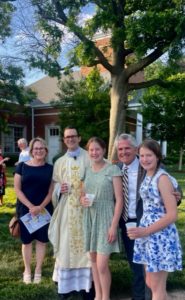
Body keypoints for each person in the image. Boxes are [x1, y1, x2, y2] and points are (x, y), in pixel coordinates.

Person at [115, 133, 181, 300]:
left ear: (158, 157)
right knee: (151, 281)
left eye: (148, 155)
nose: (144, 159)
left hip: (158, 234)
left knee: (155, 286)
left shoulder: (160, 175)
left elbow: (172, 210)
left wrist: (177, 195)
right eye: (143, 156)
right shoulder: (123, 170)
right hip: (136, 229)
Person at [48, 126, 94, 299]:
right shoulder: (59, 162)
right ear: (64, 140)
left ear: (79, 138)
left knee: (86, 249)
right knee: (67, 247)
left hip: (86, 211)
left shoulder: (90, 156)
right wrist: (60, 188)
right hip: (68, 211)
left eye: (73, 136)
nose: (70, 139)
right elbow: (54, 187)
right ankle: (66, 289)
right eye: (67, 137)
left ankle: (86, 288)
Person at [80, 137, 123, 300]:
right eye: (91, 149)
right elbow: (82, 195)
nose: (94, 152)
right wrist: (81, 200)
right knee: (93, 261)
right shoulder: (87, 170)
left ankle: (106, 297)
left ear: (104, 150)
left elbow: (119, 199)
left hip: (106, 219)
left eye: (97, 149)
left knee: (102, 264)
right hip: (89, 217)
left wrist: (113, 226)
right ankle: (98, 295)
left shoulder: (112, 170)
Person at [14, 137, 54, 284]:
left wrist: (40, 207)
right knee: (26, 242)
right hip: (26, 210)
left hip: (44, 210)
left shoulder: (50, 169)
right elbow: (17, 189)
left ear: (45, 150)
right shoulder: (22, 167)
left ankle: (38, 269)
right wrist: (31, 206)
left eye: (41, 148)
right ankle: (27, 270)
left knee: (42, 241)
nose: (38, 151)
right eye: (36, 148)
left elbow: (51, 192)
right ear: (31, 151)